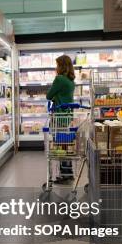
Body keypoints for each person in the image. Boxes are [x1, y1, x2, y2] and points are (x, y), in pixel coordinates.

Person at [46, 54, 76, 184]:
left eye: (57, 64)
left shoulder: (59, 79)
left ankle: (65, 173)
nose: (56, 67)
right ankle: (67, 172)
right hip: (67, 115)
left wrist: (54, 96)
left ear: (61, 66)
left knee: (60, 144)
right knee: (65, 143)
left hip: (59, 116)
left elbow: (48, 95)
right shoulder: (70, 81)